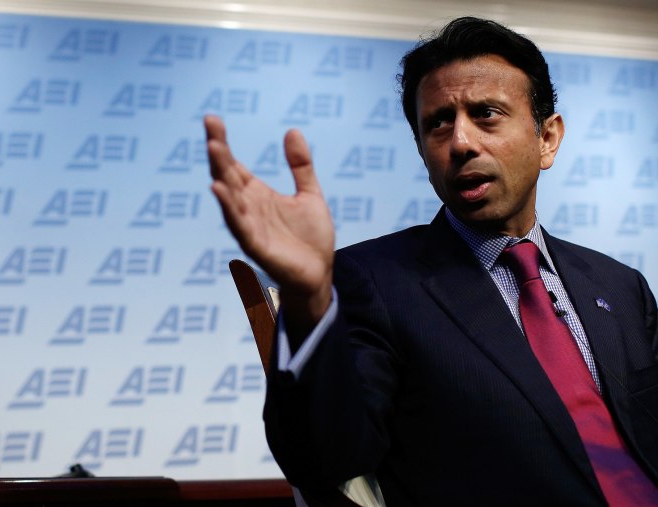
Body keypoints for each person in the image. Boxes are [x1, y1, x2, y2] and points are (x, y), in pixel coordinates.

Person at [205, 16, 658, 506]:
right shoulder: (372, 281)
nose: (460, 142)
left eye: (486, 113)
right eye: (437, 123)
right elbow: (326, 459)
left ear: (546, 138)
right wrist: (308, 300)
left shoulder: (620, 286)